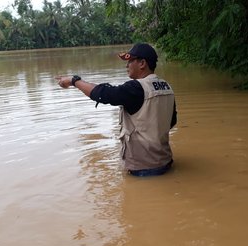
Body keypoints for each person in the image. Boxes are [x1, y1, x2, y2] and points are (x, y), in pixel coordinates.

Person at [56, 43, 177, 177]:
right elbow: (171, 122)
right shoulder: (167, 87)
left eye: (130, 61)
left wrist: (74, 81)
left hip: (144, 168)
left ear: (142, 63)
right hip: (166, 161)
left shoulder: (136, 88)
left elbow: (103, 94)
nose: (127, 66)